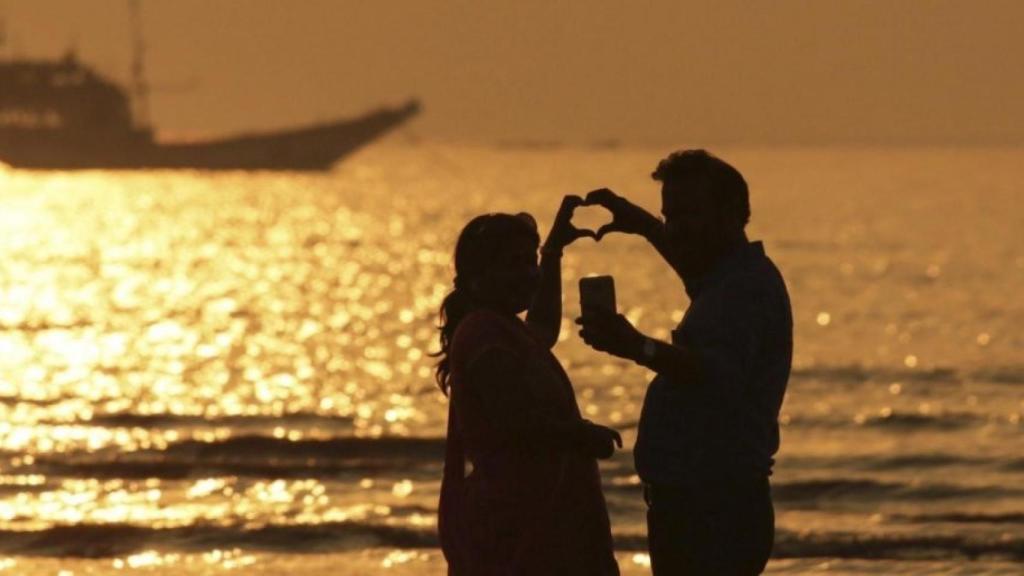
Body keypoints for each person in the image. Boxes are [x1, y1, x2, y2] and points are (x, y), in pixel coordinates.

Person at [576, 150, 793, 575]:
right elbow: (690, 264)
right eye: (669, 215)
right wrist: (641, 224)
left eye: (688, 214)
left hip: (714, 511)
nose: (675, 229)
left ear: (732, 214)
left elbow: (713, 374)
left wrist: (638, 346)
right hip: (697, 506)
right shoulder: (726, 278)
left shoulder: (743, 289)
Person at [436, 200, 622, 575]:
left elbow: (544, 328)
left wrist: (552, 252)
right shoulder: (484, 333)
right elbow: (515, 422)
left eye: (530, 261)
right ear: (478, 275)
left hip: (538, 523)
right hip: (519, 533)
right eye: (513, 264)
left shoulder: (502, 327)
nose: (529, 274)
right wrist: (581, 435)